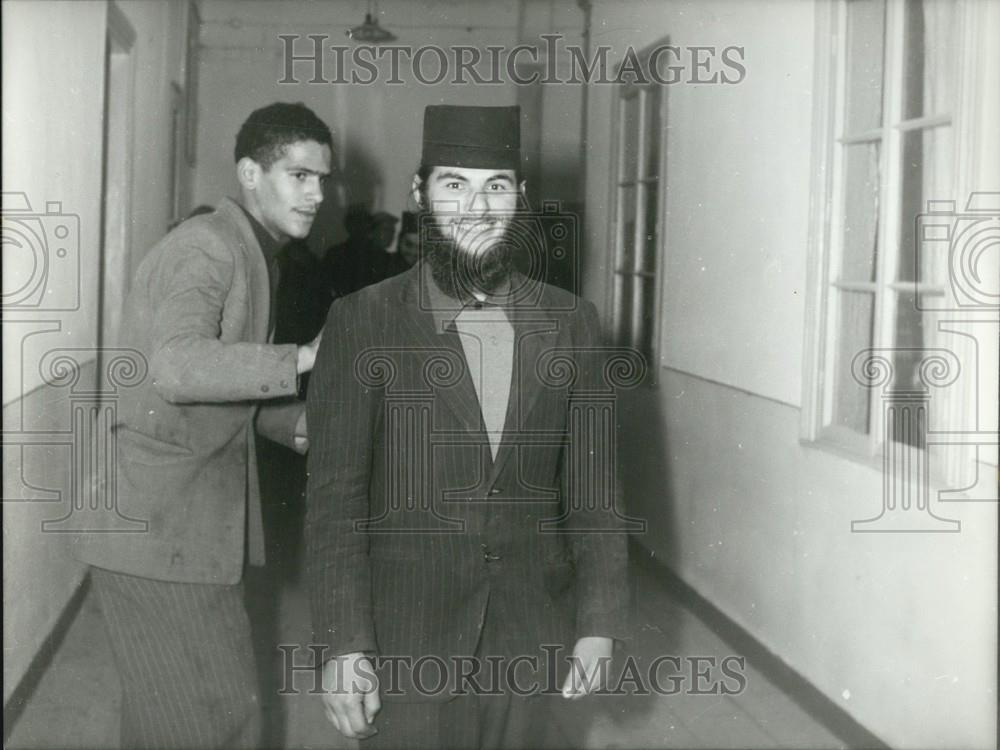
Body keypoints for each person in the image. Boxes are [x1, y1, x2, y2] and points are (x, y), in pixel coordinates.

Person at [305, 104, 629, 749]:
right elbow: (335, 500)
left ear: (521, 200)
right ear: (418, 194)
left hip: (530, 632)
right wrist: (343, 645)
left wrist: (600, 620)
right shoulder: (362, 321)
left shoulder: (571, 322)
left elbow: (594, 491)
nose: (477, 207)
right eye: (453, 184)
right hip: (407, 636)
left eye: (496, 187)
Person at [74, 101, 333, 749]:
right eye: (299, 176)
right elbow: (177, 365)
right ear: (250, 172)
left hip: (174, 533)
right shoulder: (208, 246)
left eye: (323, 180)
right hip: (163, 538)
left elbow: (228, 385)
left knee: (169, 722)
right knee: (219, 720)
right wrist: (304, 357)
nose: (317, 194)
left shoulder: (251, 250)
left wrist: (307, 429)